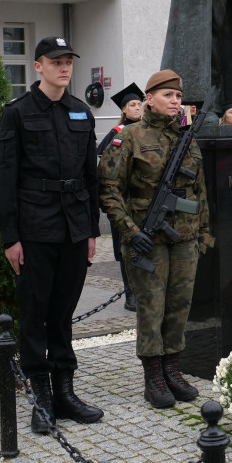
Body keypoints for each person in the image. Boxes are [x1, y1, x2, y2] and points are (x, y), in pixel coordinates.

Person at [0, 36, 103, 434]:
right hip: (35, 229)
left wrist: (91, 229)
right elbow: (5, 179)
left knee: (62, 315)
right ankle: (39, 398)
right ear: (37, 66)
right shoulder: (18, 114)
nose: (64, 67)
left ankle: (65, 393)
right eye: (55, 61)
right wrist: (11, 237)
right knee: (34, 317)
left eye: (68, 61)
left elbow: (91, 177)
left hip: (75, 228)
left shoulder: (81, 112)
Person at [98, 70, 214, 409]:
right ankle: (153, 377)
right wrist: (131, 232)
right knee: (151, 308)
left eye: (178, 97)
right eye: (167, 96)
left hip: (184, 237)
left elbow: (200, 192)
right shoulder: (130, 137)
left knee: (179, 307)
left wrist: (204, 233)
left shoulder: (186, 139)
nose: (175, 101)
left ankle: (172, 369)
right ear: (149, 99)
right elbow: (109, 189)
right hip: (148, 240)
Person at [96, 82, 145, 311]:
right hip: (124, 201)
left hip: (145, 199)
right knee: (127, 248)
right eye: (132, 105)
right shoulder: (117, 134)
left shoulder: (148, 131)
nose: (137, 108)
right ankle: (130, 293)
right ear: (124, 110)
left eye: (139, 104)